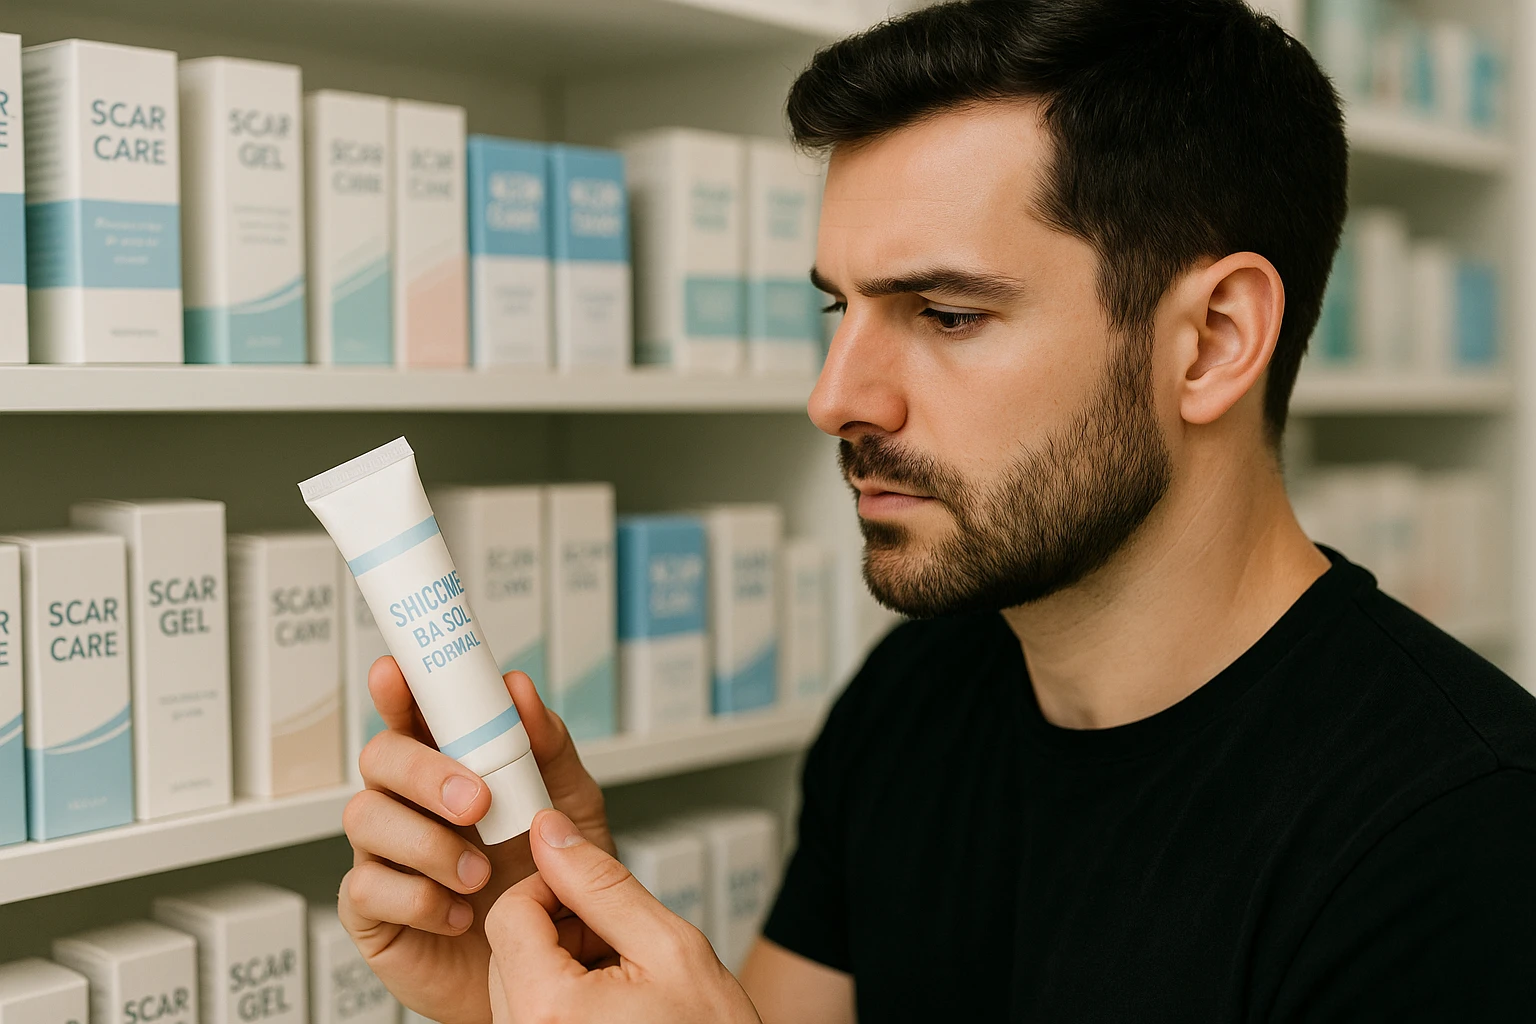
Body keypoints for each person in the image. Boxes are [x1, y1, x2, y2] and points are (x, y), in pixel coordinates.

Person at [337, 0, 1536, 1020]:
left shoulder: (1463, 841)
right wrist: (544, 950)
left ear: (1213, 342)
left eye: (948, 315)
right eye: (837, 311)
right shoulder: (912, 703)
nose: (833, 399)